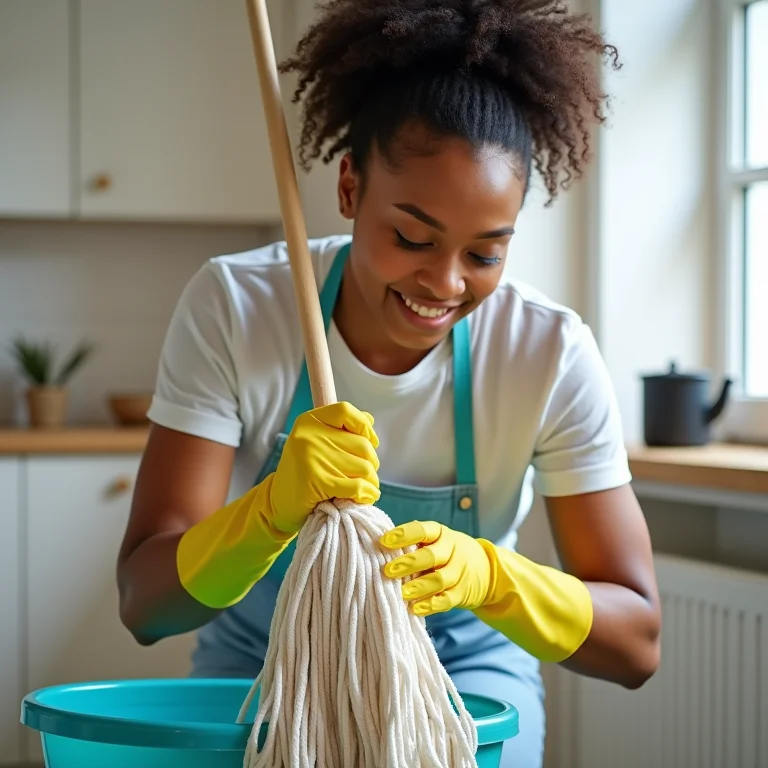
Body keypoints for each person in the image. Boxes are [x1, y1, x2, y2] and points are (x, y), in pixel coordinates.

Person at [116, 1, 662, 765]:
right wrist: (268, 513)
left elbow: (636, 643)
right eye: (412, 236)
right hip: (268, 665)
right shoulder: (240, 306)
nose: (443, 283)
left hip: (460, 666)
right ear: (348, 188)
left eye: (485, 254)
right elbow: (144, 603)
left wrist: (491, 576)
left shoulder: (548, 354)